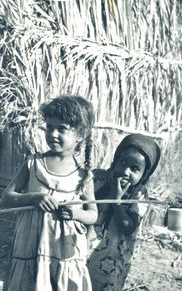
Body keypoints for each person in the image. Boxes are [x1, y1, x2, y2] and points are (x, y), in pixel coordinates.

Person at [1, 95, 98, 291]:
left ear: (80, 135)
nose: (53, 133)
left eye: (61, 128)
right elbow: (7, 199)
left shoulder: (84, 175)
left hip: (64, 251)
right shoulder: (33, 164)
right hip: (30, 245)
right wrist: (34, 198)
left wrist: (75, 213)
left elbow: (92, 214)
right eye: (49, 127)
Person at [87, 133, 161, 291]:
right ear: (115, 161)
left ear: (144, 175)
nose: (126, 171)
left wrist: (117, 201)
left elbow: (127, 227)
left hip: (112, 261)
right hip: (85, 251)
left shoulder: (139, 195)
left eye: (135, 169)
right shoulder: (97, 178)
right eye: (123, 162)